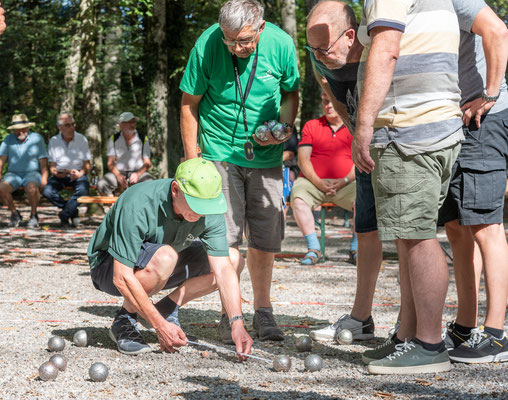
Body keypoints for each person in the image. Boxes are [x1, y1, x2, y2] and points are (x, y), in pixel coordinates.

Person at [180, 0, 299, 343]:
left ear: (261, 28)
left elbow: (291, 92)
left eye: (244, 40)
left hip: (267, 155)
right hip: (219, 151)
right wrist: (193, 161)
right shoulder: (207, 44)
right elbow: (189, 104)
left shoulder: (280, 44)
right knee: (225, 239)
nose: (236, 48)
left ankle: (263, 311)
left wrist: (284, 127)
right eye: (230, 41)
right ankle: (228, 313)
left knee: (264, 238)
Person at [87, 158, 253, 358]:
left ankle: (167, 308)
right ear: (175, 189)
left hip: (166, 258)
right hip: (109, 266)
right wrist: (160, 327)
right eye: (195, 204)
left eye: (206, 205)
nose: (201, 213)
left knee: (234, 260)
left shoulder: (209, 206)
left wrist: (237, 323)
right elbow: (121, 276)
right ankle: (125, 320)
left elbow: (224, 270)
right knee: (165, 257)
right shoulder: (138, 202)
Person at [305, 1, 380, 344]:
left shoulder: (377, 47)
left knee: (414, 238)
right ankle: (361, 318)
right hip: (363, 150)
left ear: (351, 36)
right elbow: (333, 92)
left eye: (324, 48)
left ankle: (417, 332)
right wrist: (355, 132)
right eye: (312, 48)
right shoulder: (323, 58)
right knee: (366, 229)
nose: (318, 55)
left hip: (394, 146)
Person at [438, 0, 508, 364]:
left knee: (485, 226)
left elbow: (498, 31)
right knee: (456, 227)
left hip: (483, 120)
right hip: (452, 124)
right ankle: (465, 326)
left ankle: (496, 334)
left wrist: (491, 94)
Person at [290, 91, 355, 267]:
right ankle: (314, 248)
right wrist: (319, 182)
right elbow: (303, 159)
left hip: (347, 183)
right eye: (325, 101)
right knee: (298, 197)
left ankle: (356, 249)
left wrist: (344, 181)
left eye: (332, 101)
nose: (328, 106)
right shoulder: (312, 125)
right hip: (313, 182)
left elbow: (360, 160)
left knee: (365, 196)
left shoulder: (354, 125)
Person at [42, 113, 91, 227]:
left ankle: (64, 215)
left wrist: (80, 173)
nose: (72, 127)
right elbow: (52, 166)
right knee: (47, 191)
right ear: (60, 128)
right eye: (68, 125)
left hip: (77, 172)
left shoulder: (81, 139)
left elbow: (87, 164)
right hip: (61, 174)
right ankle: (72, 211)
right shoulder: (54, 141)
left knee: (84, 189)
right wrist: (56, 173)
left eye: (73, 124)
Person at [0, 114, 48, 228]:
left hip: (32, 172)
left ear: (27, 128)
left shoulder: (37, 138)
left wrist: (44, 178)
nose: (20, 131)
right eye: (17, 129)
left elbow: (44, 162)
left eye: (22, 128)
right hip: (13, 173)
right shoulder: (8, 139)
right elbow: (1, 161)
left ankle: (33, 215)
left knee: (31, 188)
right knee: (1, 187)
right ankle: (14, 213)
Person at [97, 112, 153, 197]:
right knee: (101, 184)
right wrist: (118, 175)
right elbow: (110, 162)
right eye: (129, 122)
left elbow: (147, 163)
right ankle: (111, 206)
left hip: (138, 172)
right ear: (121, 125)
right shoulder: (114, 139)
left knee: (150, 183)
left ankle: (140, 207)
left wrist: (137, 174)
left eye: (134, 122)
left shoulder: (143, 138)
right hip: (118, 172)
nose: (132, 124)